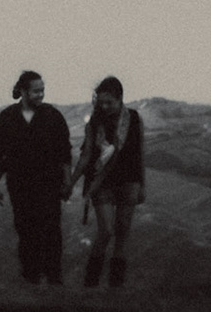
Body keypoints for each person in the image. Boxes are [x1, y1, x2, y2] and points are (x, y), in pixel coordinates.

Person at [0, 69, 73, 285]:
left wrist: (67, 182)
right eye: (36, 91)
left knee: (52, 231)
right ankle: (31, 278)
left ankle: (54, 278)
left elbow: (65, 153)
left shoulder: (53, 116)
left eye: (43, 90)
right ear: (24, 92)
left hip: (49, 185)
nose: (41, 95)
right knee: (26, 231)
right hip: (20, 186)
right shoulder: (7, 118)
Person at [70, 75, 144, 288]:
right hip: (101, 183)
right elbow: (86, 156)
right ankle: (90, 283)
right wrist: (73, 181)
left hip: (129, 180)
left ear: (120, 99)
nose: (104, 106)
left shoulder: (134, 118)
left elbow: (138, 152)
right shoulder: (95, 122)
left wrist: (142, 185)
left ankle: (115, 285)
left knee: (123, 230)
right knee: (106, 231)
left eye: (108, 102)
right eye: (101, 102)